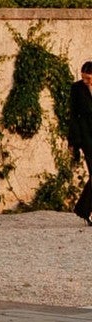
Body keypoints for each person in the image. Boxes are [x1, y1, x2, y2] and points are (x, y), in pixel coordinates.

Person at [70, 62, 92, 225]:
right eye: (83, 78)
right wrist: (73, 142)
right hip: (86, 138)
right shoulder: (77, 89)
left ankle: (82, 209)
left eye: (89, 78)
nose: (85, 81)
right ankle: (83, 210)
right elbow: (73, 116)